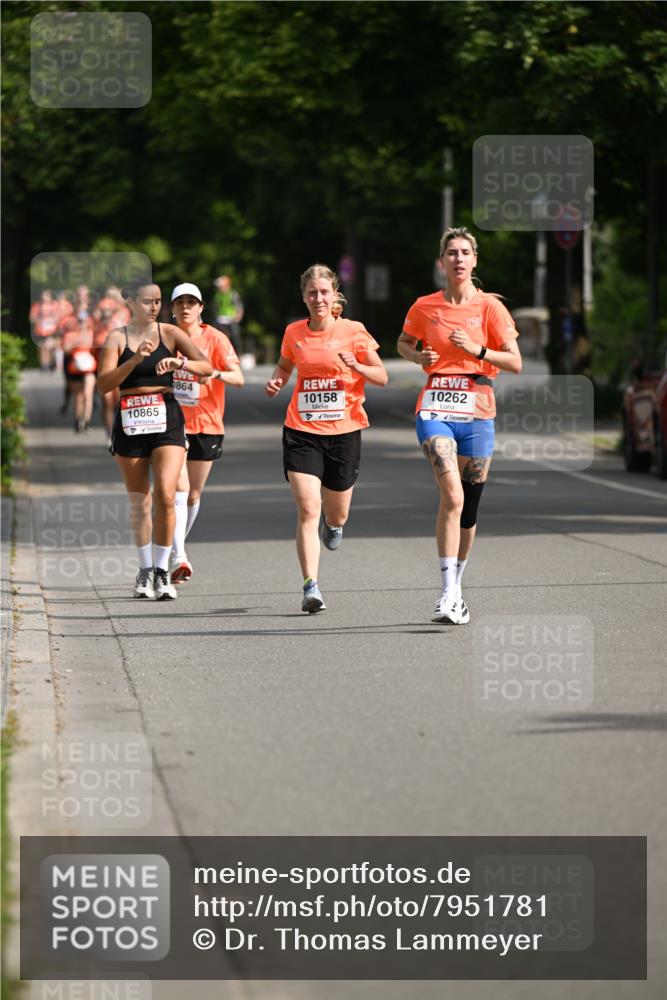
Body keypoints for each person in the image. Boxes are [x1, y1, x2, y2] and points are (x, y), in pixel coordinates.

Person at [397, 227, 522, 625]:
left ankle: (458, 589)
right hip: (434, 405)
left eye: (465, 252)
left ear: (474, 260)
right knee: (451, 494)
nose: (458, 259)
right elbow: (402, 343)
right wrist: (418, 356)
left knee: (469, 507)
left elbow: (514, 361)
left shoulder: (490, 309)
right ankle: (447, 591)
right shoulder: (424, 306)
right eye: (451, 252)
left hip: (478, 408)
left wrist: (478, 350)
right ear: (442, 262)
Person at [265, 263, 387, 613]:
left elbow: (381, 376)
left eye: (323, 292)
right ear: (304, 297)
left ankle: (334, 525)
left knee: (337, 513)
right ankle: (310, 587)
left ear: (334, 296)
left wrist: (357, 366)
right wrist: (277, 380)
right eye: (311, 293)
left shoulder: (353, 331)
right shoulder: (294, 333)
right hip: (302, 431)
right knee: (307, 507)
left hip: (344, 433)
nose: (318, 298)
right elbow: (285, 365)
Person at [96, 279, 213, 601]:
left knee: (165, 492)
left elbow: (207, 367)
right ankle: (145, 569)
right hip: (131, 419)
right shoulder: (116, 338)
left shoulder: (172, 334)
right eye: (147, 301)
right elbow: (104, 384)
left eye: (158, 301)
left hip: (167, 418)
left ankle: (163, 571)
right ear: (130, 303)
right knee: (140, 501)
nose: (154, 307)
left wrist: (180, 363)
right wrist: (134, 361)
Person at [168, 282, 245, 582]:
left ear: (201, 308)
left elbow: (238, 378)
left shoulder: (215, 338)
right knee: (177, 490)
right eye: (180, 302)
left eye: (192, 302)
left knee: (192, 495)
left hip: (206, 424)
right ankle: (178, 555)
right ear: (172, 308)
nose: (185, 307)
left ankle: (176, 548)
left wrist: (212, 373)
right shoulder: (164, 336)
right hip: (170, 425)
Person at [62, 314, 97, 432]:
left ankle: (86, 420)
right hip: (75, 368)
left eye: (83, 321)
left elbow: (97, 349)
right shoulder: (70, 335)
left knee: (88, 394)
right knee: (78, 396)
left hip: (89, 369)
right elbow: (66, 350)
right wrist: (75, 343)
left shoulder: (92, 334)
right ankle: (77, 420)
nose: (81, 323)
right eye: (79, 321)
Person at [213, 274, 244, 354]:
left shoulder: (233, 294)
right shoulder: (218, 295)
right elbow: (215, 307)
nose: (219, 287)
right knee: (219, 338)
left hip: (231, 319)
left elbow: (239, 306)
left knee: (235, 338)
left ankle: (237, 355)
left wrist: (238, 316)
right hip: (220, 319)